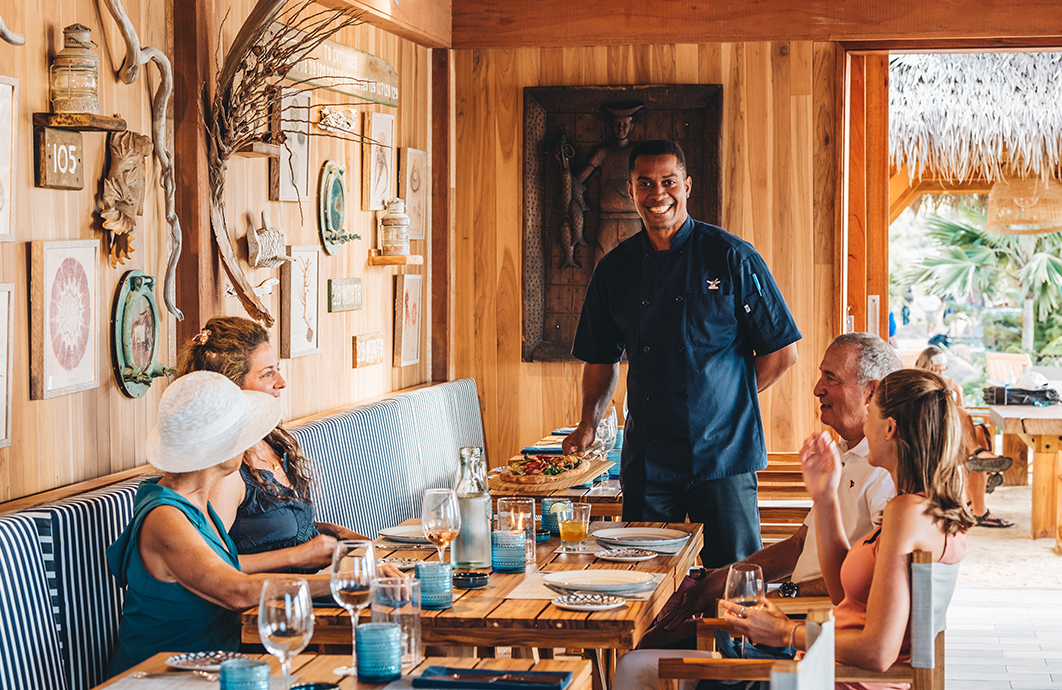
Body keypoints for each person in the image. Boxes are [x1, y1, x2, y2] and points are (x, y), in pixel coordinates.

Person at [614, 368, 973, 690]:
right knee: (643, 663)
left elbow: (878, 652)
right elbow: (843, 596)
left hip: (831, 679)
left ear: (889, 428)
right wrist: (826, 497)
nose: (866, 425)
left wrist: (786, 632)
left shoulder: (905, 511)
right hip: (821, 670)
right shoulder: (925, 508)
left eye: (872, 414)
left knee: (635, 665)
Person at [562, 139, 802, 567]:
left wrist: (725, 402)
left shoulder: (731, 257)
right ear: (631, 190)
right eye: (645, 183)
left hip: (724, 457)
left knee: (733, 581)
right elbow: (600, 358)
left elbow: (781, 352)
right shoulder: (614, 269)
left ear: (687, 186)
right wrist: (587, 424)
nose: (658, 194)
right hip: (649, 461)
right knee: (645, 575)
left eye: (668, 182)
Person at [643, 332, 899, 649]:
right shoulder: (845, 453)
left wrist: (775, 597)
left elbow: (869, 588)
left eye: (830, 378)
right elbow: (799, 546)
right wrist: (717, 582)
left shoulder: (886, 472)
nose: (817, 388)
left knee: (643, 654)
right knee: (656, 635)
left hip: (812, 627)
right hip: (793, 613)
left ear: (871, 392)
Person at [107, 372, 334, 675]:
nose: (248, 442)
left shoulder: (198, 504)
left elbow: (226, 575)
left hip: (212, 670)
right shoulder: (164, 517)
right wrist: (342, 583)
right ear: (217, 447)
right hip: (159, 678)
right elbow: (236, 591)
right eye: (240, 432)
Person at [177, 317, 370, 573]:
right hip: (271, 596)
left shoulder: (271, 442)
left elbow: (276, 530)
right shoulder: (227, 468)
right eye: (268, 373)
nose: (281, 382)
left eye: (277, 369)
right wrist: (296, 557)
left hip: (308, 587)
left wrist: (333, 532)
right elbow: (213, 567)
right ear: (231, 387)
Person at [914, 345, 1013, 528]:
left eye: (943, 370)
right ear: (927, 367)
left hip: (950, 433)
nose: (941, 374)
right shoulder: (917, 384)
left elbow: (960, 414)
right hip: (930, 433)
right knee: (969, 433)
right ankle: (979, 505)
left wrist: (957, 391)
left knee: (980, 432)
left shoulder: (946, 385)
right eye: (937, 371)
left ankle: (978, 467)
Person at [576, 103, 646, 261]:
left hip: (632, 219)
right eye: (617, 124)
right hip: (606, 220)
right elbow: (579, 179)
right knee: (599, 264)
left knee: (636, 267)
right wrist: (564, 167)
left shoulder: (637, 153)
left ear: (632, 126)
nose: (620, 128)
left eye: (625, 124)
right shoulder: (603, 152)